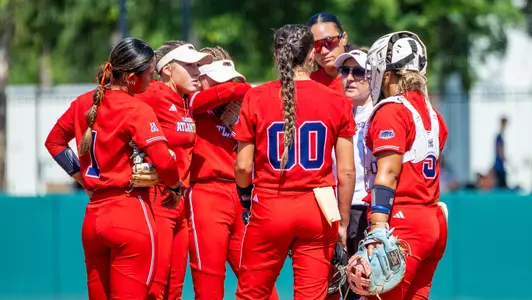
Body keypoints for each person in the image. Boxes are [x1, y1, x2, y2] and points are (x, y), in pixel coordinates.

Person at [44, 37, 182, 299]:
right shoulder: (136, 108)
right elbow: (164, 161)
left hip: (94, 217)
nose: (151, 81)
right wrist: (175, 186)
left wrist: (83, 180)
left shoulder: (84, 102)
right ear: (131, 79)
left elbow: (54, 143)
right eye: (149, 74)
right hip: (130, 213)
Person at [233, 24, 356, 300]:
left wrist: (244, 198)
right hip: (318, 208)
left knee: (251, 294)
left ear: (277, 56)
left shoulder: (256, 96)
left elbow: (243, 166)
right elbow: (347, 171)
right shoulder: (336, 100)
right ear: (311, 55)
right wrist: (343, 222)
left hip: (270, 204)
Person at [352, 31, 448, 299]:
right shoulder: (432, 112)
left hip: (403, 221)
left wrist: (378, 228)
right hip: (433, 222)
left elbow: (389, 173)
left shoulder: (393, 110)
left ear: (386, 71)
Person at [135, 40, 213, 300]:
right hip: (158, 200)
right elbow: (108, 103)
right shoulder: (154, 92)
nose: (196, 72)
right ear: (167, 69)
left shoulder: (185, 102)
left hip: (180, 204)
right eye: (189, 66)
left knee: (175, 289)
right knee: (156, 287)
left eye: (197, 66)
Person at [333, 48, 373, 300]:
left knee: (364, 289)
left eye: (358, 71)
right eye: (344, 71)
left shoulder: (379, 111)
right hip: (340, 208)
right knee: (343, 290)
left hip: (365, 208)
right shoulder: (342, 111)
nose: (350, 77)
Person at [307, 12, 348, 92]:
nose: (324, 51)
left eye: (329, 42)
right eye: (316, 45)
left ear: (343, 38)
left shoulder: (363, 76)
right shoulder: (309, 83)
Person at [493, 116, 508, 188]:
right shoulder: (499, 137)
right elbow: (500, 153)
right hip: (499, 167)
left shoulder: (500, 137)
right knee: (502, 187)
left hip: (500, 166)